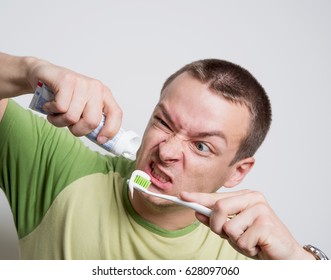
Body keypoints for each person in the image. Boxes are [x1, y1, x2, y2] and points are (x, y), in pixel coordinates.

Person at [0, 52, 322, 260]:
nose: (166, 152)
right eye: (163, 123)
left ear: (237, 172)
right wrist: (30, 70)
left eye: (201, 146)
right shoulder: (58, 169)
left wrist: (300, 262)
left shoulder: (250, 252)